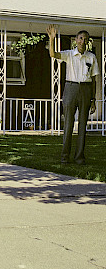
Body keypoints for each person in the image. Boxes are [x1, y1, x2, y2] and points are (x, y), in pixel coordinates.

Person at [47, 24, 99, 164]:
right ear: (76, 40)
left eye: (86, 39)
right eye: (81, 38)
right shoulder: (69, 54)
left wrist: (93, 99)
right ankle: (65, 157)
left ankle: (79, 157)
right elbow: (53, 54)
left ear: (88, 42)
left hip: (86, 90)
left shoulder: (91, 57)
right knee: (68, 123)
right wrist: (51, 39)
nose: (83, 41)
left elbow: (94, 80)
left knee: (83, 125)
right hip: (71, 88)